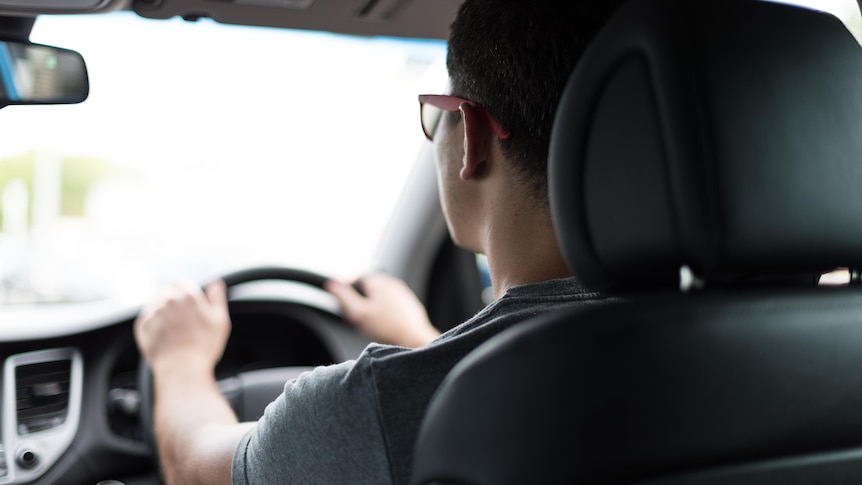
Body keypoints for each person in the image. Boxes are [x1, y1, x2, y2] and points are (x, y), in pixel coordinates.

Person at [133, 1, 625, 483]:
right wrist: (421, 340)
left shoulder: (375, 404)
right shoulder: (692, 341)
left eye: (437, 115)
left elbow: (195, 468)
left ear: (470, 137)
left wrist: (180, 361)